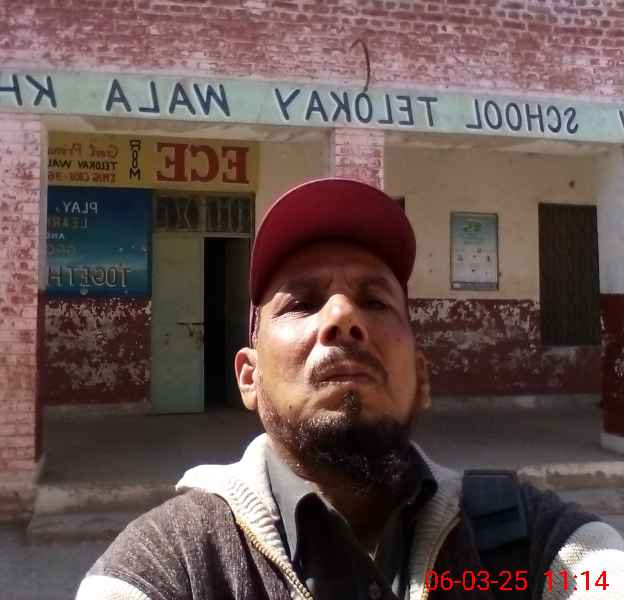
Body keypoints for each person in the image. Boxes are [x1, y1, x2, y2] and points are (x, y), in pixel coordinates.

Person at [77, 178, 624, 599]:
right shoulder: (175, 563)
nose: (342, 317)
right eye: (302, 302)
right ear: (248, 377)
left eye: (375, 301)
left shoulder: (535, 548)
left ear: (422, 378)